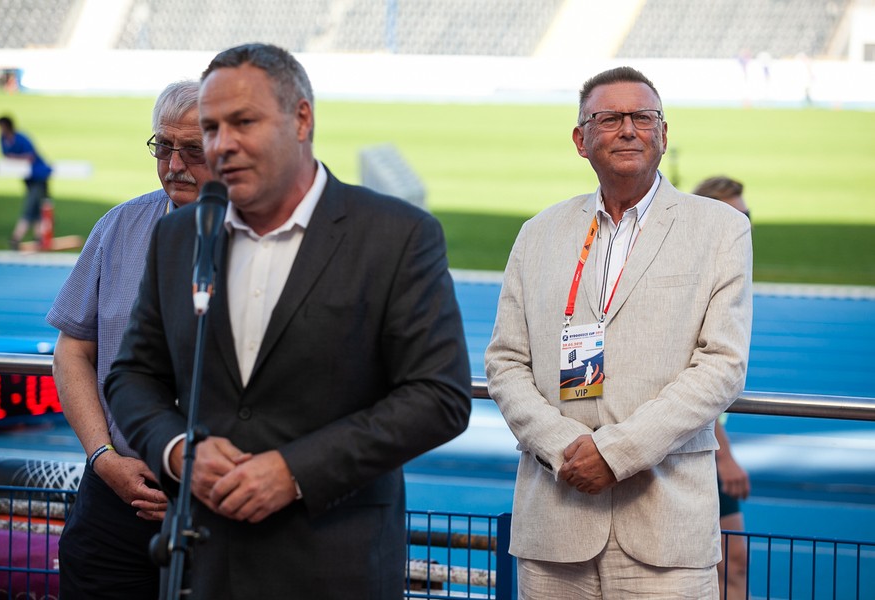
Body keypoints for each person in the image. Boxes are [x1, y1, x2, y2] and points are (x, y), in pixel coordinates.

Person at [105, 43, 471, 600]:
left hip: (336, 564)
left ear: (301, 119)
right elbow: (133, 375)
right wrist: (179, 450)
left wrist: (295, 471)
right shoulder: (179, 236)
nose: (222, 144)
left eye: (244, 122)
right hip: (204, 562)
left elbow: (438, 395)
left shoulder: (395, 235)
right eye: (211, 127)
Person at [484, 66, 753, 598]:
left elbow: (722, 366)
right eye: (609, 118)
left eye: (643, 117)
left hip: (665, 529)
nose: (628, 129)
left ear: (663, 134)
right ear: (580, 140)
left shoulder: (720, 229)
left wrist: (616, 454)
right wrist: (564, 448)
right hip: (554, 524)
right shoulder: (537, 234)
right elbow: (505, 363)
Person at [46, 80, 214, 599]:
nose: (174, 165)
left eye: (192, 150)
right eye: (163, 146)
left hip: (222, 509)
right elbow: (73, 351)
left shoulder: (267, 241)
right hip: (112, 497)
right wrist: (103, 457)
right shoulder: (118, 226)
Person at [695, 175, 753, 600]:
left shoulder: (731, 267)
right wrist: (725, 458)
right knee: (723, 560)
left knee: (732, 561)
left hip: (706, 439)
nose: (744, 226)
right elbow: (696, 376)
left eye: (748, 217)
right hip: (695, 443)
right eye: (735, 216)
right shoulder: (699, 276)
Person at [0, 115, 52, 249]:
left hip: (38, 175)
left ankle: (16, 237)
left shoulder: (21, 138)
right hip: (28, 178)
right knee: (37, 207)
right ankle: (38, 238)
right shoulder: (3, 139)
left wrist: (14, 158)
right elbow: (7, 156)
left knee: (32, 206)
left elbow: (30, 156)